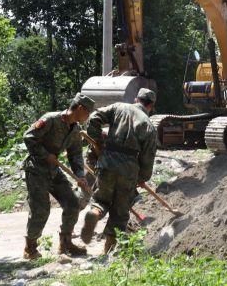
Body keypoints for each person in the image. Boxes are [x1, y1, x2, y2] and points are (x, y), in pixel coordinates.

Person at [81, 88, 157, 254]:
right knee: (120, 210)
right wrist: (142, 177)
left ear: (136, 99)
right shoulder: (148, 125)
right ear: (150, 105)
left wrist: (98, 141)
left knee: (101, 198)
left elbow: (94, 118)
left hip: (107, 161)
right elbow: (148, 156)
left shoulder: (118, 107)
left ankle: (95, 212)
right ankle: (108, 249)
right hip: (129, 169)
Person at [22, 93, 95, 260]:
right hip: (36, 170)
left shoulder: (75, 129)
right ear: (80, 108)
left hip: (54, 171)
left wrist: (79, 175)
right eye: (87, 112)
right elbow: (28, 137)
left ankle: (66, 244)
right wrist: (45, 154)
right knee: (41, 209)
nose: (88, 116)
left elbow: (75, 155)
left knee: (72, 203)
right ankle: (30, 248)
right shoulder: (50, 120)